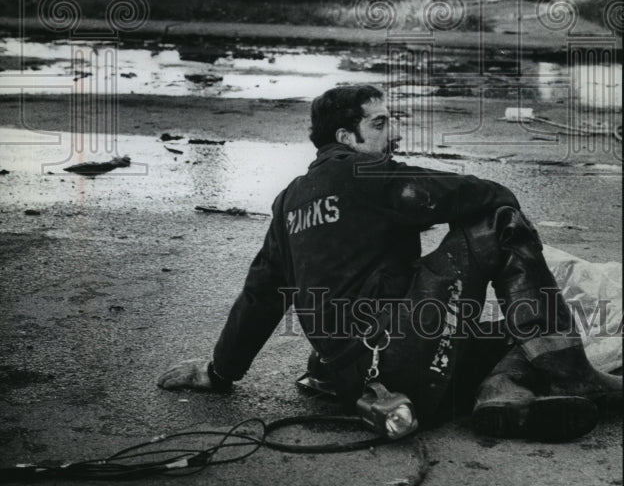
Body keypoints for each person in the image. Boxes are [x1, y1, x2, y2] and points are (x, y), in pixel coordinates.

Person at [158, 85, 621, 440]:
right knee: (498, 220)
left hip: (358, 377)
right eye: (380, 124)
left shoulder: (288, 203)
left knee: (507, 333)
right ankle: (573, 375)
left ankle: (499, 395)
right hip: (401, 350)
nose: (394, 133)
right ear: (347, 137)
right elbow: (487, 195)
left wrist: (219, 371)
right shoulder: (365, 174)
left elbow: (261, 295)